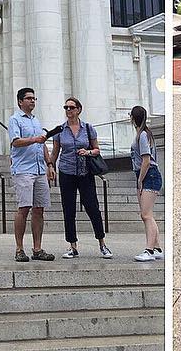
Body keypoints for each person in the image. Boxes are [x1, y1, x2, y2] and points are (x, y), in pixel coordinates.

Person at [45, 94, 112, 259]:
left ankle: (102, 243)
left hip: (85, 172)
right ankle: (72, 245)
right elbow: (55, 151)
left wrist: (87, 152)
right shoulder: (60, 130)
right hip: (66, 172)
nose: (68, 110)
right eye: (66, 107)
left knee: (92, 207)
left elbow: (96, 149)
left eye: (71, 107)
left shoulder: (88, 128)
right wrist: (50, 166)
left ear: (79, 110)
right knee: (68, 209)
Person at [7, 85, 56, 262]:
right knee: (24, 208)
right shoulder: (15, 119)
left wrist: (49, 164)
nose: (32, 101)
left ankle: (37, 248)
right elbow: (15, 142)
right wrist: (35, 139)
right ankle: (19, 249)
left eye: (34, 98)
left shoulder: (36, 121)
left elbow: (42, 145)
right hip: (23, 170)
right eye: (29, 98)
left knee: (39, 209)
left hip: (39, 169)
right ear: (20, 101)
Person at [129, 104, 162, 262]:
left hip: (149, 175)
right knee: (147, 215)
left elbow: (146, 160)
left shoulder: (142, 135)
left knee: (146, 215)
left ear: (133, 118)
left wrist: (140, 180)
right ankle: (156, 248)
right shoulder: (145, 134)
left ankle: (149, 250)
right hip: (146, 174)